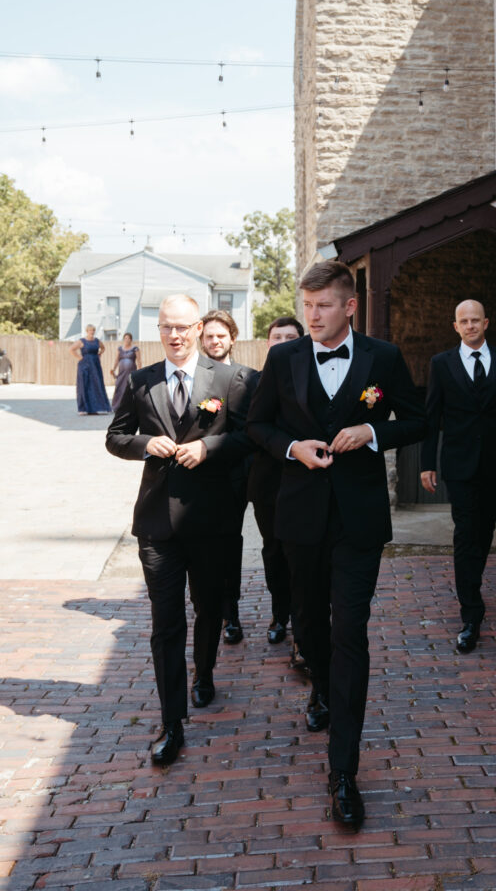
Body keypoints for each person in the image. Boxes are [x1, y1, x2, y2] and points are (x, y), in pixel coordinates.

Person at [247, 262, 426, 831]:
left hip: (358, 521)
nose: (313, 315)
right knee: (310, 624)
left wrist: (373, 433)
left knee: (350, 630)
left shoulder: (385, 358)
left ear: (350, 306)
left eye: (323, 305)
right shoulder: (283, 359)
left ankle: (343, 771)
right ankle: (320, 686)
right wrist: (293, 446)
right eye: (307, 306)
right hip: (299, 517)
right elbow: (258, 426)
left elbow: (418, 420)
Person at [106, 295, 253, 766]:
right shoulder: (141, 379)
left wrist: (209, 447)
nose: (174, 335)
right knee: (165, 624)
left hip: (212, 520)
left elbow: (250, 437)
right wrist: (148, 443)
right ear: (159, 328)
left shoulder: (229, 379)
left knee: (208, 608)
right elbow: (116, 437)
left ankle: (204, 672)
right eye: (166, 326)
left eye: (183, 326)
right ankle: (172, 723)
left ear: (198, 327)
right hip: (156, 523)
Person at [420, 300, 496, 653]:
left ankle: (472, 583)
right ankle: (471, 612)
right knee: (466, 532)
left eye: (475, 320)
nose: (470, 326)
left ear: (486, 322)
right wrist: (426, 463)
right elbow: (431, 416)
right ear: (455, 326)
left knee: (486, 527)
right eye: (463, 321)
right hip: (460, 464)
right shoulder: (441, 364)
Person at [246, 316, 304, 653]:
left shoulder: (309, 375)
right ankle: (279, 614)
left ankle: (303, 617)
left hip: (305, 478)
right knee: (274, 550)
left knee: (302, 551)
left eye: (290, 336)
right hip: (268, 480)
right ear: (267, 343)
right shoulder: (252, 382)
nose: (282, 342)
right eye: (276, 337)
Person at [199, 308, 256, 645]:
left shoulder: (247, 377)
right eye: (209, 336)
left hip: (235, 475)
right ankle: (205, 604)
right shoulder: (193, 377)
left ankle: (229, 611)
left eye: (221, 335)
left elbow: (252, 430)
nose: (215, 341)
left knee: (228, 544)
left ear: (232, 338)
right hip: (198, 477)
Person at [71, 324, 111, 415]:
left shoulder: (97, 341)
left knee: (97, 385)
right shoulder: (82, 341)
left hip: (95, 365)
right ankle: (83, 409)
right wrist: (80, 357)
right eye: (90, 330)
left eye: (93, 330)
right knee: (84, 385)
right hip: (84, 366)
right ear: (87, 331)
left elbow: (103, 348)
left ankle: (99, 407)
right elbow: (71, 349)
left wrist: (99, 354)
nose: (91, 332)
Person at [111, 332, 141, 411]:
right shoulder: (120, 349)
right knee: (119, 386)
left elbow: (139, 361)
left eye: (128, 338)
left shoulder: (135, 348)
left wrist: (140, 372)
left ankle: (130, 407)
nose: (127, 340)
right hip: (121, 372)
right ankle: (117, 406)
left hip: (131, 372)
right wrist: (113, 369)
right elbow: (116, 360)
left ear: (131, 340)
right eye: (125, 338)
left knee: (130, 387)